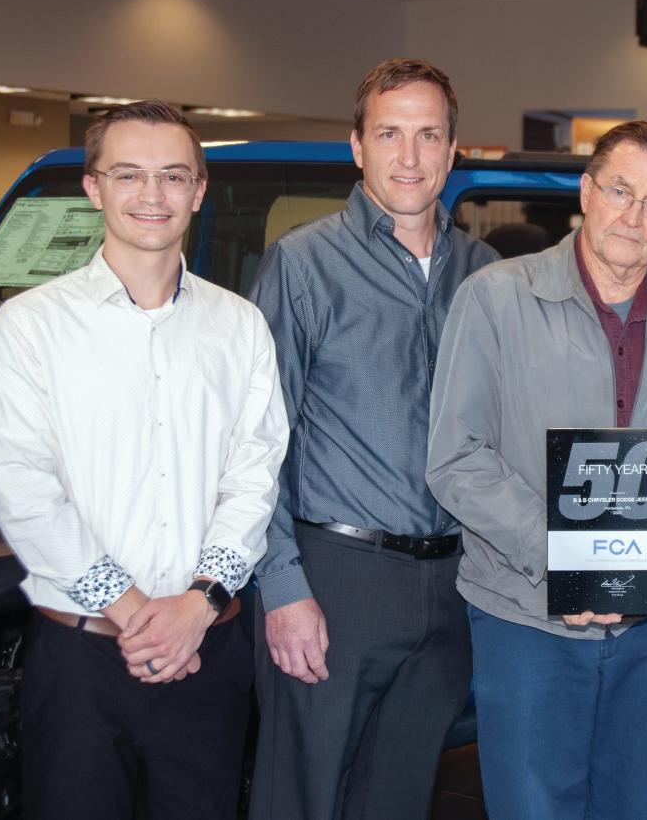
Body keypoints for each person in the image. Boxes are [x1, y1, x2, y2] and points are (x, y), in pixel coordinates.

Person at [0, 100, 289, 820]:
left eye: (173, 176)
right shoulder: (30, 328)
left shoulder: (239, 325)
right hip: (82, 662)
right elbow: (25, 490)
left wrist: (198, 602)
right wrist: (141, 612)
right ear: (94, 188)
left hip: (208, 654)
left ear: (199, 192)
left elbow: (255, 473)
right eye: (130, 175)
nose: (153, 195)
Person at [426, 120, 647, 820]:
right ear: (587, 193)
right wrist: (561, 558)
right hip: (528, 618)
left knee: (640, 806)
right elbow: (457, 458)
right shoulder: (497, 298)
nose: (633, 215)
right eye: (620, 191)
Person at [247, 58, 498, 820]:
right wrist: (284, 591)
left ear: (454, 150)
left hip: (451, 586)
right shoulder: (303, 264)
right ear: (357, 146)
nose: (410, 156)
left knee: (397, 800)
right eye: (389, 133)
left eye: (429, 135)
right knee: (305, 798)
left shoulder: (486, 277)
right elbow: (256, 444)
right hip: (336, 580)